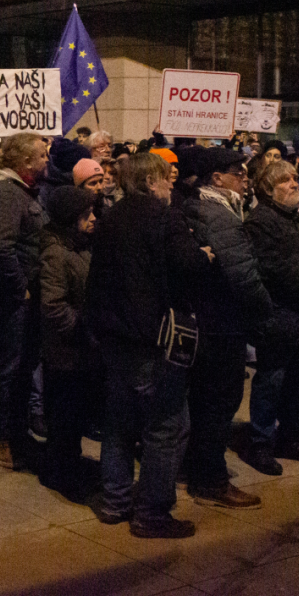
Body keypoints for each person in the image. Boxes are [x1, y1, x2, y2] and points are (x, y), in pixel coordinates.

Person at [87, 153, 213, 538]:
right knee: (165, 426)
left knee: (119, 424)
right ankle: (152, 512)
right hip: (153, 338)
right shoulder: (165, 217)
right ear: (149, 181)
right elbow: (187, 264)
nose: (171, 183)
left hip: (115, 336)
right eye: (164, 177)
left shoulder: (111, 218)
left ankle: (115, 501)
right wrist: (204, 256)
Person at [180, 147, 271, 510]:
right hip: (222, 323)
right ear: (216, 179)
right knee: (219, 403)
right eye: (238, 173)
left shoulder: (198, 207)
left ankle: (196, 467)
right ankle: (211, 480)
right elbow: (243, 275)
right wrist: (264, 311)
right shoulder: (219, 215)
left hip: (207, 320)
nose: (245, 179)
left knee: (203, 401)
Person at [241, 162, 299, 475]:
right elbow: (272, 267)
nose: (294, 183)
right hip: (279, 315)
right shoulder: (260, 222)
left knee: (298, 380)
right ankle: (260, 441)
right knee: (272, 379)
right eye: (285, 180)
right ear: (268, 189)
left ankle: (290, 436)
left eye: (295, 178)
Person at [0, 132, 47, 470]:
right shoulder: (6, 192)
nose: (47, 160)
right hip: (14, 299)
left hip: (25, 297)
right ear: (25, 161)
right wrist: (20, 286)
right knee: (8, 367)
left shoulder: (22, 190)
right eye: (42, 155)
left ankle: (17, 433)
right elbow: (0, 246)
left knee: (22, 367)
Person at [38, 186, 99, 500]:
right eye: (86, 215)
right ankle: (60, 473)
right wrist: (84, 327)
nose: (93, 219)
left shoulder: (79, 246)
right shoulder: (57, 252)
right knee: (64, 417)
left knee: (75, 416)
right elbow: (53, 306)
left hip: (80, 351)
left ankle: (69, 466)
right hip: (65, 352)